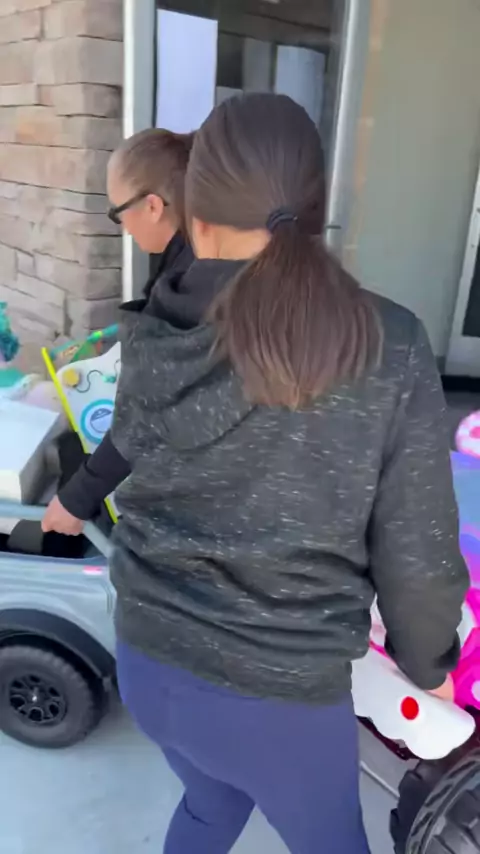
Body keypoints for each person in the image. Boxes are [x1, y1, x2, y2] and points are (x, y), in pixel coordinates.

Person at [43, 93, 468, 854]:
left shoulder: (154, 328)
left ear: (196, 219)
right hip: (279, 697)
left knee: (210, 806)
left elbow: (128, 442)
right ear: (316, 212)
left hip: (148, 657)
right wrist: (428, 661)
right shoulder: (388, 343)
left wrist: (73, 501)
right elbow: (417, 546)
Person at [43, 127, 195, 526]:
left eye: (117, 212)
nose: (121, 225)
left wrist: (77, 499)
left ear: (152, 206)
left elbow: (151, 409)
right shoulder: (193, 258)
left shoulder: (189, 285)